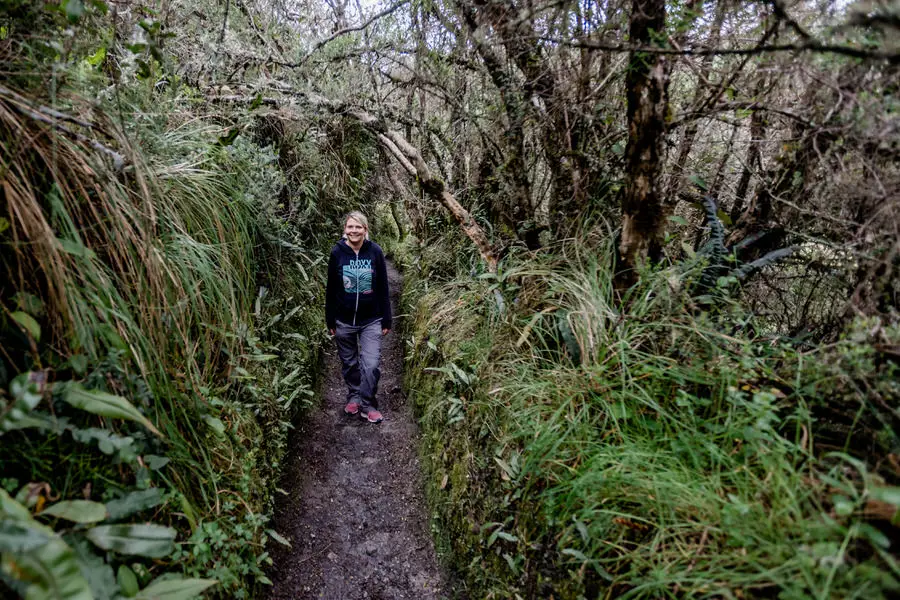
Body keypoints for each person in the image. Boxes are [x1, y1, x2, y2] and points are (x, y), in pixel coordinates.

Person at [325, 211, 391, 424]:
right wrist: (330, 319)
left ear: (365, 230)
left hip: (371, 320)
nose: (354, 231)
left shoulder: (375, 252)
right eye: (350, 227)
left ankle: (368, 403)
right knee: (350, 362)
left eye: (358, 227)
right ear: (345, 229)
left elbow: (383, 287)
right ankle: (354, 394)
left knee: (370, 364)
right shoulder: (337, 252)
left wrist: (386, 318)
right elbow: (331, 288)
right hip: (343, 320)